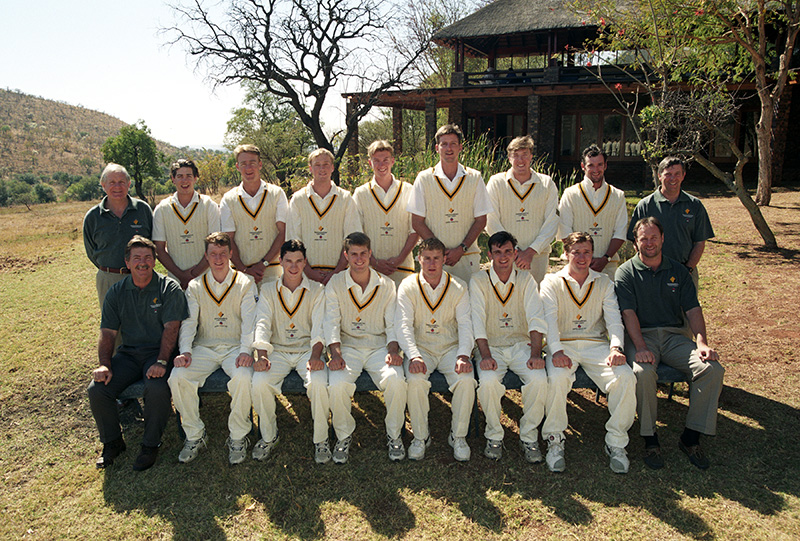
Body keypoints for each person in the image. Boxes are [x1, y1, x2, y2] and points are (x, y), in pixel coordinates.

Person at [616, 217, 724, 470]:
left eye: (654, 237)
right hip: (641, 335)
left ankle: (691, 437)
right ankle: (649, 438)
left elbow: (693, 309)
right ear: (635, 242)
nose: (650, 242)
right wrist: (640, 347)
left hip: (676, 336)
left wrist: (701, 343)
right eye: (644, 238)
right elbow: (628, 313)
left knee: (711, 369)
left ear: (663, 239)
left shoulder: (678, 271)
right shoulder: (626, 272)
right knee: (643, 373)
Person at [87, 236, 188, 471]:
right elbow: (108, 332)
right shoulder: (117, 292)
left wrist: (162, 361)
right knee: (97, 389)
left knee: (156, 387)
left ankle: (150, 444)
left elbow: (171, 328)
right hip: (129, 354)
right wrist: (104, 364)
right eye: (137, 258)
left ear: (154, 261)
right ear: (127, 262)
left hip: (158, 353)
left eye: (147, 258)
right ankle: (112, 442)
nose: (142, 263)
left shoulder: (168, 288)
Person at [540, 232, 636, 474]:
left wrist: (616, 347)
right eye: (576, 252)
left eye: (586, 252)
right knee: (558, 377)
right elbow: (549, 322)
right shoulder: (551, 282)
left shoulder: (603, 282)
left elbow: (614, 319)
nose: (582, 258)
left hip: (596, 344)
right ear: (565, 254)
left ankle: (616, 442)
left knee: (625, 377)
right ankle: (554, 439)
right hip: (563, 344)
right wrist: (556, 351)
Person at [168, 233, 258, 465]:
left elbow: (250, 322)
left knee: (242, 376)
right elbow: (189, 323)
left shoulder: (245, 283)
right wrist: (186, 351)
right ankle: (195, 434)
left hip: (234, 347)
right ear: (206, 256)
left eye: (223, 254)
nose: (218, 258)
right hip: (204, 347)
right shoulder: (196, 286)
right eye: (213, 254)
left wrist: (245, 351)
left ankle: (238, 436)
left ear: (230, 254)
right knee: (178, 376)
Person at [325, 232, 407, 463]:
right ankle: (343, 435)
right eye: (354, 254)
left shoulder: (387, 284)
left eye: (363, 254)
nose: (359, 259)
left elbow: (392, 325)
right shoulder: (336, 283)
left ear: (370, 253)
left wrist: (393, 351)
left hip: (378, 347)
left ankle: (394, 434)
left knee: (396, 380)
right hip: (347, 347)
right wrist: (336, 354)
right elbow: (331, 322)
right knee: (338, 382)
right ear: (346, 256)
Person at [470, 231, 548, 462]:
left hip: (520, 345)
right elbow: (477, 319)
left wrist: (536, 353)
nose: (503, 257)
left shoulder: (525, 278)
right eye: (497, 252)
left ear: (515, 253)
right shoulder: (478, 280)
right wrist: (484, 355)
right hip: (491, 347)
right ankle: (494, 434)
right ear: (489, 254)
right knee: (488, 381)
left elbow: (535, 318)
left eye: (507, 252)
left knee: (539, 379)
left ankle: (529, 436)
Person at [251, 240, 331, 463]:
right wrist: (262, 355)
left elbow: (319, 327)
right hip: (277, 351)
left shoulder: (317, 290)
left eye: (298, 261)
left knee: (318, 382)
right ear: (280, 261)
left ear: (305, 262)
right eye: (288, 261)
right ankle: (268, 436)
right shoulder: (267, 290)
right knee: (259, 382)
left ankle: (321, 439)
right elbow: (262, 324)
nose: (293, 267)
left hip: (307, 351)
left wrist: (316, 356)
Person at [396, 237, 475, 461]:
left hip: (450, 348)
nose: (432, 263)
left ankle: (458, 436)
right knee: (415, 379)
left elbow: (466, 325)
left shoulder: (458, 287)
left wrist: (463, 355)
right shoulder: (408, 286)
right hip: (421, 349)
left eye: (436, 258)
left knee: (466, 380)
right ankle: (421, 437)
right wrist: (413, 355)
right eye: (427, 258)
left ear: (444, 259)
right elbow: (403, 325)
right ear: (418, 259)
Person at [408, 124, 493, 284]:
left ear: (460, 147)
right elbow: (417, 222)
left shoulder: (474, 177)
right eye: (444, 144)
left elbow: (481, 220)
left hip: (467, 258)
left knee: (467, 307)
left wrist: (461, 248)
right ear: (436, 148)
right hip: (434, 261)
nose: (449, 148)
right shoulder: (424, 178)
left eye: (453, 143)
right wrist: (439, 252)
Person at [627, 156, 715, 288]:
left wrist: (688, 269)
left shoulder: (695, 205)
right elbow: (635, 240)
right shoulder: (645, 205)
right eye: (668, 174)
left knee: (687, 309)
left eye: (677, 174)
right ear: (659, 176)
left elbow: (699, 242)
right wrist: (646, 266)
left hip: (685, 270)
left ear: (683, 175)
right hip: (652, 273)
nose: (673, 178)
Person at [486, 135, 558, 284]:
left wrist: (531, 252)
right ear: (509, 158)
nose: (520, 160)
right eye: (515, 155)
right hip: (505, 257)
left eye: (525, 155)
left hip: (537, 258)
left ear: (531, 156)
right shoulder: (496, 182)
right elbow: (491, 220)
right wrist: (512, 251)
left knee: (535, 302)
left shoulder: (546, 183)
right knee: (505, 301)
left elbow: (552, 222)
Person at [286, 148, 361, 285]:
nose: (322, 169)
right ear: (310, 168)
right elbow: (293, 239)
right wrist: (308, 271)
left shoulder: (345, 198)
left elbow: (351, 239)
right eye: (317, 165)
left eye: (326, 164)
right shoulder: (298, 199)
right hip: (305, 276)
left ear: (332, 167)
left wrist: (336, 272)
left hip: (339, 276)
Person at [83, 163, 153, 307]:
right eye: (112, 182)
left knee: (145, 323)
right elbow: (91, 251)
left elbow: (154, 242)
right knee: (113, 325)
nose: (117, 187)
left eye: (121, 182)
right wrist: (110, 270)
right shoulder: (93, 216)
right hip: (108, 278)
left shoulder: (142, 209)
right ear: (103, 185)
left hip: (141, 276)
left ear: (129, 184)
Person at [219, 144, 288, 288]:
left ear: (260, 164)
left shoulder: (277, 193)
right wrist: (244, 269)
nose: (248, 168)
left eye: (252, 163)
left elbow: (283, 233)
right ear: (237, 167)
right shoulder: (229, 198)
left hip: (273, 271)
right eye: (243, 164)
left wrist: (263, 264)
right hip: (242, 275)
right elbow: (228, 238)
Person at [352, 140, 419, 286]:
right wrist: (374, 261)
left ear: (393, 161)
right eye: (376, 161)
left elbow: (415, 231)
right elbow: (356, 233)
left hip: (403, 269)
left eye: (385, 160)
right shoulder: (360, 193)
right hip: (371, 270)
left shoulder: (408, 190)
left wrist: (399, 259)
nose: (381, 165)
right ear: (370, 163)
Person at [558, 145, 628, 280]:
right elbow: (564, 230)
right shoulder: (570, 194)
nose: (596, 170)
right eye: (591, 165)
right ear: (583, 166)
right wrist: (582, 258)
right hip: (576, 267)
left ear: (605, 165)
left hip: (607, 266)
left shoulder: (617, 195)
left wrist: (605, 258)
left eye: (599, 165)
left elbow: (620, 232)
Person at [153, 159, 220, 289]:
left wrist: (193, 274)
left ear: (195, 178)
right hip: (176, 282)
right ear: (173, 179)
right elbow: (159, 249)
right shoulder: (162, 208)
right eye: (179, 176)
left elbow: (215, 245)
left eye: (189, 176)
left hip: (207, 279)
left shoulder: (208, 205)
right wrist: (181, 276)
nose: (184, 181)